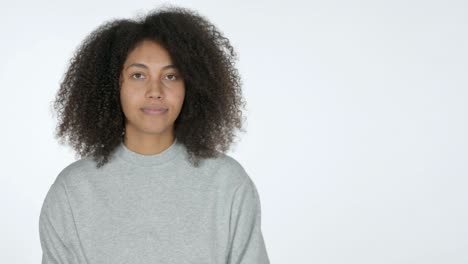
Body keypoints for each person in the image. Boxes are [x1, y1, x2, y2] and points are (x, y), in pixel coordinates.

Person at [38, 4, 270, 264]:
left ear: (191, 86)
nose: (155, 90)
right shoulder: (73, 190)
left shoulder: (227, 183)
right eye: (138, 75)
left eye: (171, 76)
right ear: (112, 85)